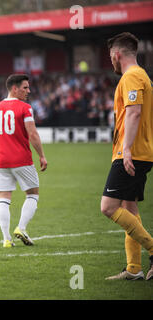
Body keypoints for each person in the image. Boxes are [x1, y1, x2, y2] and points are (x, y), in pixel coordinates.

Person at [100, 32, 153, 281]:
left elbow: (133, 113)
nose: (110, 60)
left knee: (108, 208)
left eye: (110, 55)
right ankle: (134, 268)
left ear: (116, 54)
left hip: (130, 153)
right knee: (129, 208)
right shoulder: (141, 75)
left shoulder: (131, 76)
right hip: (139, 151)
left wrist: (127, 149)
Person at [0, 74, 47, 248]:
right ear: (14, 88)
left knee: (3, 198)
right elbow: (33, 134)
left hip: (1, 161)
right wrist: (42, 155)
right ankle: (21, 228)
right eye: (25, 87)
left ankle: (6, 239)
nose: (28, 91)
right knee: (32, 194)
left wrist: (1, 152)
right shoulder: (25, 108)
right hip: (21, 159)